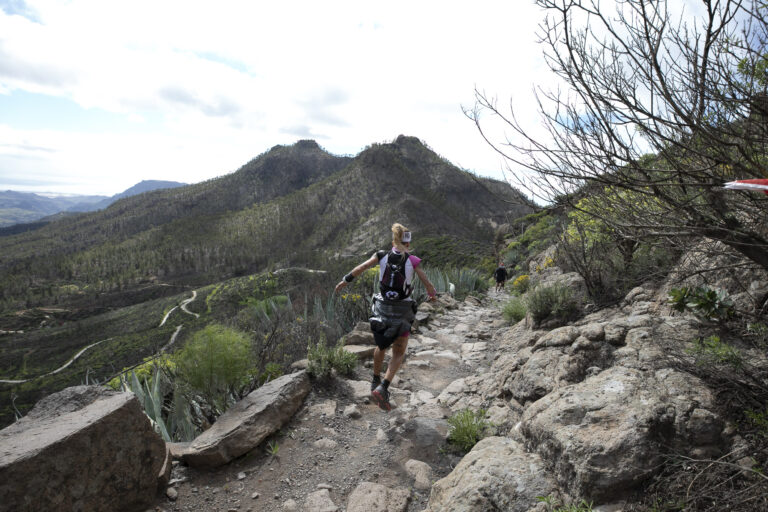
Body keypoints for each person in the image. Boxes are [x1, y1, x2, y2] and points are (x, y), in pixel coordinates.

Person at [335, 223, 437, 411]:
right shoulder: (413, 260)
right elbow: (427, 283)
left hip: (382, 308)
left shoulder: (381, 255)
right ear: (408, 243)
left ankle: (374, 379)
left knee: (381, 345)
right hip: (402, 310)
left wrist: (345, 280)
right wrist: (432, 295)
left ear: (393, 241)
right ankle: (383, 387)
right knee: (398, 352)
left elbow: (362, 267)